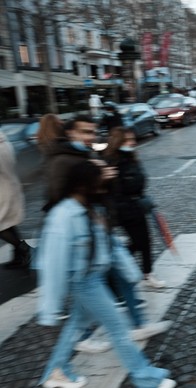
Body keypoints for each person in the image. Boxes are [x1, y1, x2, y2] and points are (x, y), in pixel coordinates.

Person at [36, 160, 175, 388]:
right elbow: (53, 262)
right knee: (119, 329)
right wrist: (50, 307)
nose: (105, 182)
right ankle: (146, 379)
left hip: (95, 279)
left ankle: (56, 371)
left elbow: (111, 246)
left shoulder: (94, 209)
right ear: (83, 184)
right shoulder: (64, 216)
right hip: (84, 282)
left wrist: (130, 272)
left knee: (75, 327)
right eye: (100, 179)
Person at [104, 127, 165, 288]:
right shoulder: (114, 162)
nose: (132, 142)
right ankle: (118, 266)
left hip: (136, 206)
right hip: (125, 209)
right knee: (139, 242)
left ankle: (147, 273)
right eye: (127, 140)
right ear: (118, 142)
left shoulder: (131, 157)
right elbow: (115, 189)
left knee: (144, 242)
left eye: (132, 139)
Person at [0, 132, 32, 269]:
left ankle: (23, 249)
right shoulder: (5, 143)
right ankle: (19, 255)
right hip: (10, 186)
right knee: (8, 223)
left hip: (2, 190)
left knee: (2, 225)